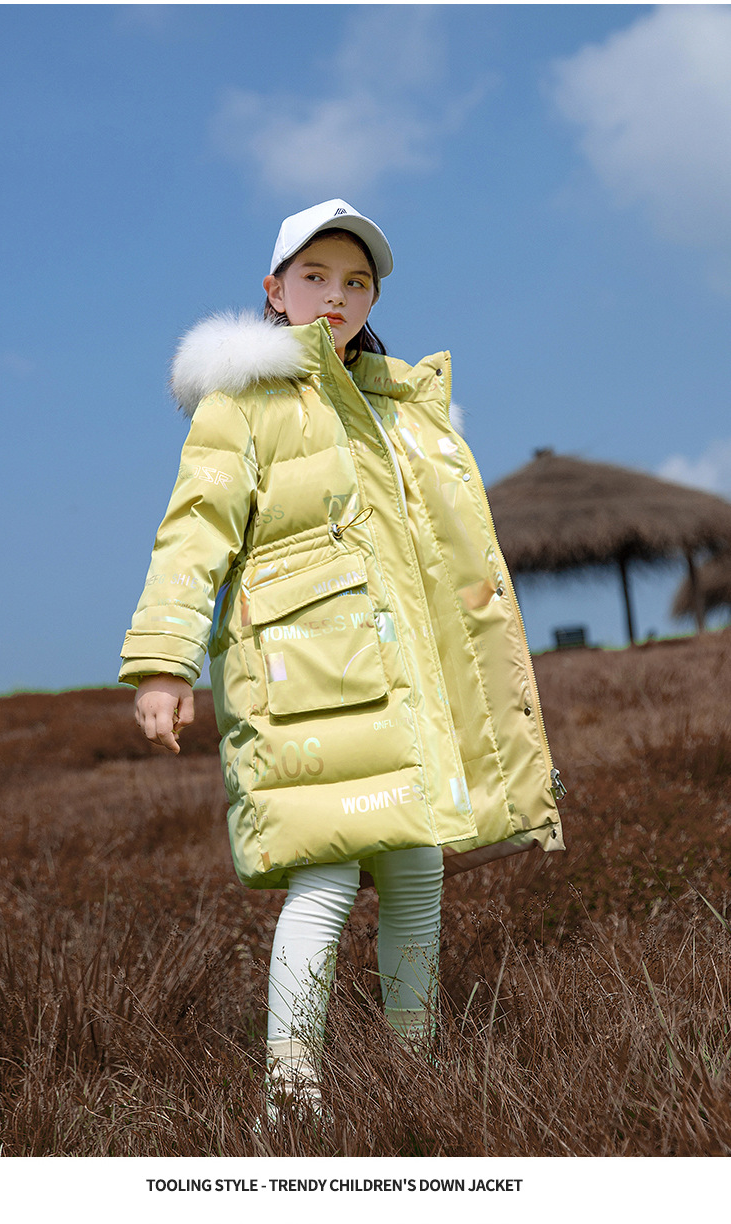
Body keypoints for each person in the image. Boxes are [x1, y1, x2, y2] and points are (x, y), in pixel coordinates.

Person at [119, 199, 566, 1121]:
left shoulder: (401, 413)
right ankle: (291, 1093)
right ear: (274, 291)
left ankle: (413, 1074)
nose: (337, 294)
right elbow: (194, 532)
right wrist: (165, 661)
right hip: (307, 685)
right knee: (321, 878)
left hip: (405, 687)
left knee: (417, 875)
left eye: (356, 282)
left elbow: (445, 563)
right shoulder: (245, 405)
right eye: (316, 276)